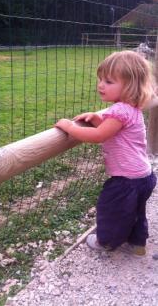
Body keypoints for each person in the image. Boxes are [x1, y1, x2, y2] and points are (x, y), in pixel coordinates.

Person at [55, 50, 157, 256]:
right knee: (135, 212)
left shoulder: (119, 110)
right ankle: (137, 244)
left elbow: (100, 136)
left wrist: (69, 127)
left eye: (109, 81)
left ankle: (106, 242)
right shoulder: (131, 109)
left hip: (125, 181)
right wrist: (95, 118)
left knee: (112, 211)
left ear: (130, 86)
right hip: (144, 176)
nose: (101, 85)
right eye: (100, 79)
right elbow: (113, 132)